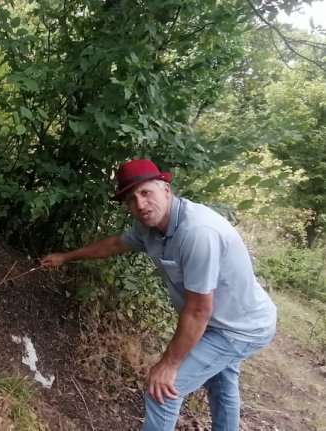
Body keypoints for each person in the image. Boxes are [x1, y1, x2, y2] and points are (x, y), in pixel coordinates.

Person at [41, 159, 276, 430]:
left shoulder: (198, 232)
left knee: (162, 390)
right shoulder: (150, 227)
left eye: (145, 192)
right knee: (221, 385)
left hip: (241, 327)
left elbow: (199, 310)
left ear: (166, 188)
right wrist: (66, 257)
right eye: (131, 198)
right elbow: (116, 243)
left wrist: (169, 364)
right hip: (218, 323)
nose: (140, 204)